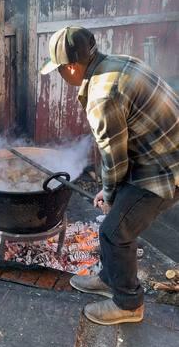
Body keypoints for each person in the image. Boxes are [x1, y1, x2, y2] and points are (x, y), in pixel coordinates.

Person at [41, 26, 179, 325]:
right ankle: (109, 278)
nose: (61, 77)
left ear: (72, 66)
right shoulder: (122, 61)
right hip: (156, 152)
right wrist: (111, 192)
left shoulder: (102, 96)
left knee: (115, 232)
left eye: (60, 70)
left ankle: (129, 304)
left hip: (166, 168)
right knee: (114, 220)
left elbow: (113, 158)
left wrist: (110, 193)